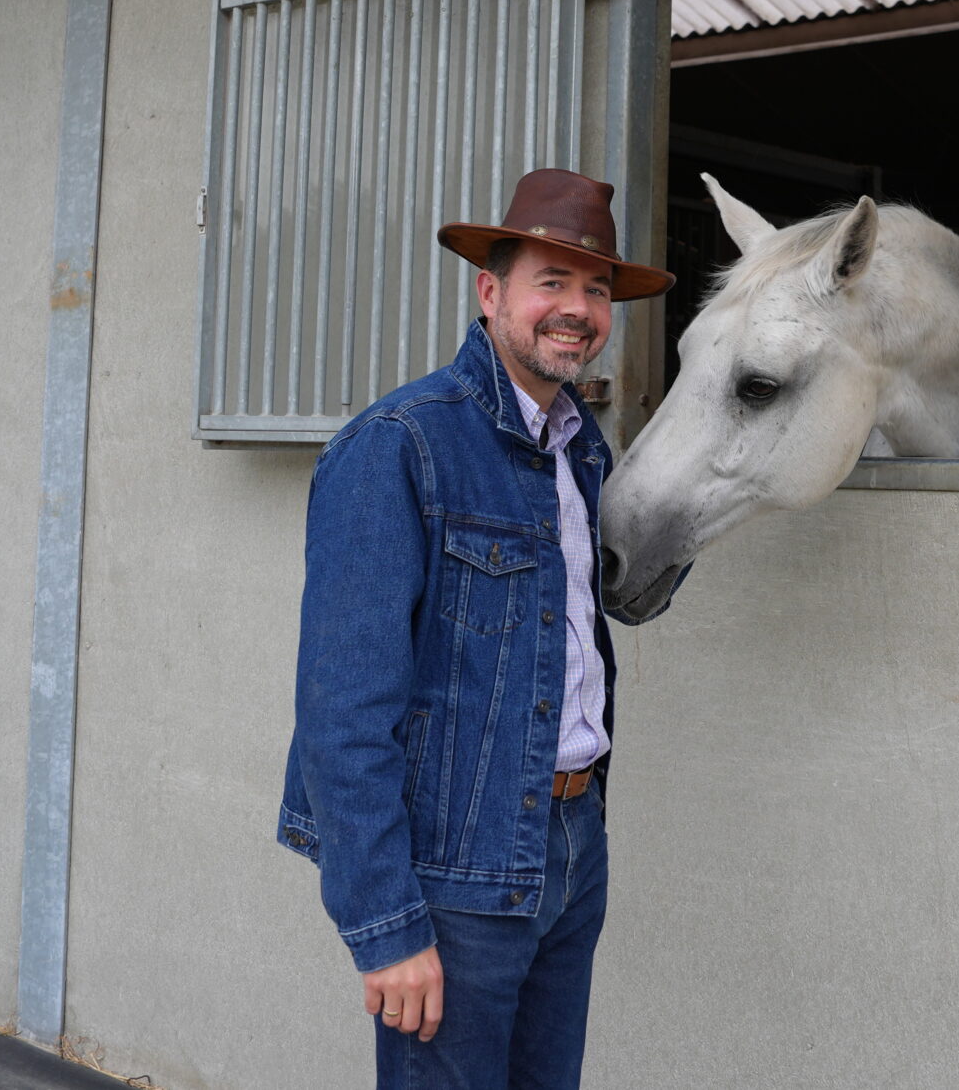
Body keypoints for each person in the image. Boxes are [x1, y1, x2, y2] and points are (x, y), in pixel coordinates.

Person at [278, 168, 675, 1089]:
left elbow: (598, 612)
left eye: (597, 289)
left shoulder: (581, 446)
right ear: (490, 292)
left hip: (573, 844)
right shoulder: (399, 444)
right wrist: (386, 927)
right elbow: (342, 712)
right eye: (552, 281)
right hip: (459, 865)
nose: (577, 308)